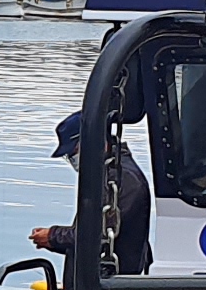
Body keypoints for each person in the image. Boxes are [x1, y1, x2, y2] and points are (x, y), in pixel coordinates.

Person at [30, 109, 152, 276]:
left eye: (73, 152)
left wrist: (53, 236)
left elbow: (96, 234)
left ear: (94, 142)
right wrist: (53, 241)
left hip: (110, 282)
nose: (72, 160)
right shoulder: (106, 174)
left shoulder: (123, 180)